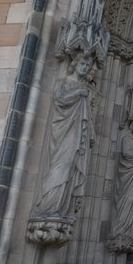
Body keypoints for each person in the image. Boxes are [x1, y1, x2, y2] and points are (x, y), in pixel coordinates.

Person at [33, 52, 94, 219]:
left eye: (88, 66)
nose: (85, 68)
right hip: (62, 131)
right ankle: (48, 205)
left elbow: (87, 115)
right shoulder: (63, 83)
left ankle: (61, 208)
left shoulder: (85, 88)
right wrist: (78, 93)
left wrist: (91, 133)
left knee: (71, 165)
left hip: (75, 133)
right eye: (82, 64)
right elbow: (60, 99)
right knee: (61, 164)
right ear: (74, 64)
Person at [108, 117, 133, 253]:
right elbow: (125, 153)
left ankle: (127, 233)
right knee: (127, 199)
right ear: (132, 125)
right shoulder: (126, 138)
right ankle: (119, 232)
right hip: (127, 174)